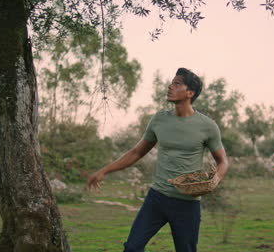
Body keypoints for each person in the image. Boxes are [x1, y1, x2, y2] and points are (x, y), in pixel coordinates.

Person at [85, 67, 229, 252]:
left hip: (187, 203)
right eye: (172, 82)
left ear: (190, 93)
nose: (170, 86)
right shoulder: (159, 120)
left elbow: (223, 161)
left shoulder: (207, 126)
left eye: (177, 84)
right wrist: (103, 171)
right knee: (132, 248)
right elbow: (136, 153)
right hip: (157, 198)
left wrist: (215, 180)